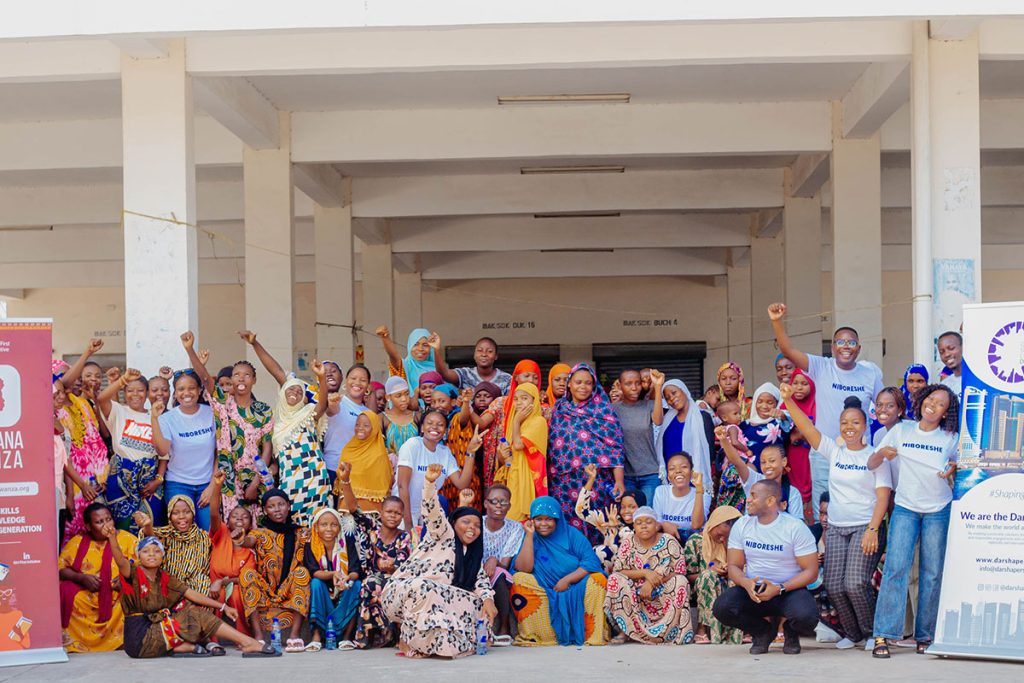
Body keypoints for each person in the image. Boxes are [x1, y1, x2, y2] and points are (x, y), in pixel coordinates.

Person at [781, 384, 892, 650]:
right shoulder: (834, 451)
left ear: (865, 425)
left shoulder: (874, 457)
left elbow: (883, 497)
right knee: (833, 585)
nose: (849, 427)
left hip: (865, 526)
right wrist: (788, 400)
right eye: (844, 423)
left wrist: (873, 530)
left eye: (855, 422)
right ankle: (852, 634)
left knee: (855, 584)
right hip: (836, 528)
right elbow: (806, 428)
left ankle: (872, 634)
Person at [867, 384, 959, 658]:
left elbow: (960, 466)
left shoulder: (951, 438)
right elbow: (871, 463)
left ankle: (925, 635)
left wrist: (954, 467)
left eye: (941, 404)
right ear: (921, 401)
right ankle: (883, 634)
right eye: (931, 398)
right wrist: (882, 454)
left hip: (938, 509)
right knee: (895, 569)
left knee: (932, 573)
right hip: (906, 507)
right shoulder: (901, 430)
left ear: (945, 413)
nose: (933, 405)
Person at [381, 463, 498, 658]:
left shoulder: (472, 555)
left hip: (437, 597)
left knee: (476, 602)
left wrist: (488, 600)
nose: (472, 528)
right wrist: (429, 483)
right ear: (453, 524)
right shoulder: (443, 534)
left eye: (477, 525)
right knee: (427, 588)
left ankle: (440, 643)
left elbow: (482, 583)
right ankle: (408, 639)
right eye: (466, 522)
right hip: (404, 592)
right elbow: (432, 512)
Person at [115, 535, 274, 658]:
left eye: (156, 551)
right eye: (145, 551)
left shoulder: (164, 577)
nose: (151, 555)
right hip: (138, 639)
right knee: (193, 615)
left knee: (189, 608)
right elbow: (121, 562)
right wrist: (111, 537)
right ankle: (247, 642)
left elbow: (192, 594)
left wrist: (223, 606)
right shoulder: (133, 573)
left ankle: (183, 647)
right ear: (139, 556)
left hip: (156, 630)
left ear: (162, 556)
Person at [712, 479, 819, 655]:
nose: (748, 500)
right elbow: (734, 566)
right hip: (754, 589)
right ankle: (762, 632)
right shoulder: (742, 525)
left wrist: (779, 588)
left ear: (770, 501)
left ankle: (790, 632)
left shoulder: (795, 527)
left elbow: (811, 571)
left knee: (807, 617)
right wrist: (746, 583)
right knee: (722, 608)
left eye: (753, 496)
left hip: (788, 590)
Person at [183, 332, 273, 521]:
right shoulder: (222, 402)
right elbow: (205, 378)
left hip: (256, 478)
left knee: (258, 525)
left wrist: (256, 482)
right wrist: (189, 349)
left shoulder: (263, 410)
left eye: (247, 375)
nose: (241, 379)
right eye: (237, 375)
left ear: (254, 380)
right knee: (233, 525)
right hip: (229, 480)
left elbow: (266, 450)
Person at [768, 302, 884, 441]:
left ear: (858, 349)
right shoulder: (821, 366)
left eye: (852, 343)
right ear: (833, 348)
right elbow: (788, 351)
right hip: (824, 449)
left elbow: (886, 407)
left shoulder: (870, 374)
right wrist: (776, 321)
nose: (846, 346)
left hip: (859, 450)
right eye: (840, 342)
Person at [511, 496, 607, 646]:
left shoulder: (571, 535)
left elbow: (590, 562)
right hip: (546, 589)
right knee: (519, 580)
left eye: (549, 519)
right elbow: (524, 568)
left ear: (557, 519)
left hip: (576, 586)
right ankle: (544, 636)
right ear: (532, 520)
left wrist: (567, 580)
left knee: (598, 579)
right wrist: (529, 535)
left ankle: (591, 634)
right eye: (539, 519)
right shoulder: (530, 536)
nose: (543, 524)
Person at [335, 464, 413, 649]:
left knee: (373, 584)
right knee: (370, 583)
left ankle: (388, 634)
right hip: (370, 578)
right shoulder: (372, 528)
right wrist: (345, 481)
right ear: (381, 513)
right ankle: (371, 635)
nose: (393, 516)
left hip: (394, 580)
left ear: (402, 516)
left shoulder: (404, 537)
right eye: (389, 512)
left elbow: (403, 566)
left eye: (397, 513)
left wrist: (392, 566)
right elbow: (353, 508)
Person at [547, 364, 625, 541]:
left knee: (597, 523)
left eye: (588, 383)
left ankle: (599, 556)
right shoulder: (559, 408)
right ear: (569, 384)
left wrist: (619, 480)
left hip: (597, 480)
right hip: (564, 482)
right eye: (578, 382)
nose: (583, 387)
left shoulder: (604, 410)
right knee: (567, 526)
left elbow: (615, 447)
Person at [605, 506, 693, 645]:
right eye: (639, 523)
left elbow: (680, 570)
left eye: (648, 522)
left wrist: (652, 582)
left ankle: (669, 633)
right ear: (634, 527)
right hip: (636, 597)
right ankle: (626, 631)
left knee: (681, 581)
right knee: (615, 579)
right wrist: (646, 573)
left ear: (657, 525)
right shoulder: (628, 542)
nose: (644, 526)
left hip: (663, 593)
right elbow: (619, 570)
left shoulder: (669, 541)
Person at [238, 489, 312, 652]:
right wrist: (240, 539)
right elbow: (248, 541)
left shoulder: (301, 532)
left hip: (289, 589)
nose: (277, 509)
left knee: (302, 572)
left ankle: (294, 636)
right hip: (266, 590)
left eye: (281, 505)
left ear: (288, 506)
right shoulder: (259, 533)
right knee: (247, 574)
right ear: (265, 510)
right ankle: (258, 637)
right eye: (271, 507)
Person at [58, 503, 138, 652]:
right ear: (88, 526)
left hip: (116, 595)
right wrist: (81, 578)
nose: (106, 525)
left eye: (108, 519)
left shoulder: (127, 539)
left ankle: (120, 641)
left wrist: (126, 579)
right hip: (88, 596)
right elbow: (60, 569)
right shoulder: (77, 542)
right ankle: (78, 643)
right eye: (99, 522)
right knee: (66, 591)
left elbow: (144, 566)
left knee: (129, 595)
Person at [96, 367, 164, 532]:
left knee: (150, 526)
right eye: (130, 390)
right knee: (122, 527)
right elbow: (101, 398)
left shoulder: (156, 415)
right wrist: (122, 380)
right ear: (124, 392)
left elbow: (164, 455)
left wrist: (158, 480)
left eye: (140, 390)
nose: (135, 394)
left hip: (149, 482)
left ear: (147, 393)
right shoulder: (118, 411)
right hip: (120, 480)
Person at [55, 339, 108, 537]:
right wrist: (87, 352)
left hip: (95, 481)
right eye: (69, 375)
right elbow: (65, 456)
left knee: (97, 529)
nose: (75, 379)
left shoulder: (83, 403)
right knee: (73, 531)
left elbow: (97, 442)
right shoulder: (55, 410)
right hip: (74, 481)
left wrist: (102, 477)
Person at [152, 370, 216, 531]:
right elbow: (162, 450)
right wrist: (154, 418)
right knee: (182, 534)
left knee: (208, 533)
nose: (186, 393)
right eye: (181, 389)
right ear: (175, 393)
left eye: (191, 388)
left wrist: (212, 487)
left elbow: (220, 453)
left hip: (206, 484)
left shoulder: (211, 413)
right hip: (178, 484)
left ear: (199, 390)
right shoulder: (167, 418)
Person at [395, 408, 478, 532]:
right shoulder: (412, 445)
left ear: (445, 431)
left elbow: (462, 483)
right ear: (422, 428)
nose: (434, 427)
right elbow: (402, 485)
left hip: (427, 513)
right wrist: (408, 524)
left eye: (440, 425)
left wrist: (470, 452)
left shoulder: (444, 452)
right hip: (403, 511)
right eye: (430, 423)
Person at [303, 507, 363, 651]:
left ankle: (347, 637)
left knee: (356, 585)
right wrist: (333, 574)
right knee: (316, 584)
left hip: (343, 587)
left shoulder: (347, 543)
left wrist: (347, 578)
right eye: (324, 525)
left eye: (334, 524)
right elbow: (314, 572)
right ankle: (316, 637)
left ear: (340, 527)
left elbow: (355, 571)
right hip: (324, 591)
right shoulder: (311, 545)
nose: (329, 529)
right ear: (316, 527)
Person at [682, 505, 744, 644]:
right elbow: (688, 576)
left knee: (739, 577)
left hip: (727, 585)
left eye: (726, 537)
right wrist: (711, 571)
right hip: (701, 588)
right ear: (713, 524)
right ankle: (702, 630)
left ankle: (738, 631)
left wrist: (730, 569)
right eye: (719, 534)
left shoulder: (734, 544)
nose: (722, 539)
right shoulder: (695, 541)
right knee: (708, 576)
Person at [207, 469, 256, 637]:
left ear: (250, 525)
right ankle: (212, 639)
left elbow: (245, 577)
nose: (240, 519)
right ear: (227, 523)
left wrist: (222, 581)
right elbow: (214, 513)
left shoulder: (250, 547)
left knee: (236, 593)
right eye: (235, 516)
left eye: (245, 517)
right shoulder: (221, 534)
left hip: (232, 586)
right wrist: (217, 486)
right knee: (217, 595)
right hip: (214, 586)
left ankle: (243, 636)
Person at [479, 360, 541, 488]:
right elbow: (482, 423)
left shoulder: (543, 409)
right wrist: (466, 405)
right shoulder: (501, 402)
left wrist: (516, 420)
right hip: (503, 460)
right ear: (516, 378)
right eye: (526, 375)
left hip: (529, 466)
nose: (531, 380)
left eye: (535, 377)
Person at [134, 495, 212, 595]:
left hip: (195, 588)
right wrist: (148, 525)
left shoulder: (203, 537)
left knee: (204, 581)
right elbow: (151, 542)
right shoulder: (165, 535)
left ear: (193, 513)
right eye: (175, 513)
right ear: (169, 516)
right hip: (168, 586)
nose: (182, 516)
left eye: (187, 512)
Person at [718, 429, 804, 518]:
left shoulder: (792, 493)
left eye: (772, 461)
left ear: (784, 461)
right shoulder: (755, 480)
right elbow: (737, 462)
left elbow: (797, 522)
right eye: (763, 462)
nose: (767, 466)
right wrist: (724, 440)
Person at [494, 382, 548, 521]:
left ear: (534, 401)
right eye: (516, 399)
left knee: (520, 517)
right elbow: (508, 459)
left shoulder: (538, 421)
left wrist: (516, 421)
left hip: (529, 479)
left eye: (524, 398)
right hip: (514, 476)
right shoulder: (515, 424)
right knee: (510, 517)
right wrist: (502, 455)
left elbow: (518, 445)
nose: (519, 403)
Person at [575, 464, 645, 572]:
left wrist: (619, 528)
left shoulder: (646, 526)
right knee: (598, 551)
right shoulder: (612, 518)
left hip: (634, 572)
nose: (626, 511)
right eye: (623, 507)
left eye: (632, 507)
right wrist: (591, 479)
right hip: (608, 573)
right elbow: (581, 511)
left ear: (641, 508)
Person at [610, 368, 665, 506]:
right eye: (628, 384)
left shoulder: (649, 405)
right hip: (625, 475)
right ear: (620, 385)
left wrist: (658, 387)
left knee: (648, 514)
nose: (634, 388)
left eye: (638, 383)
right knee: (628, 515)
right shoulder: (612, 409)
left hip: (650, 473)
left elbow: (658, 421)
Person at [480, 484, 524, 642]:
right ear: (486, 503)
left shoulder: (515, 528)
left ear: (509, 506)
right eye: (494, 501)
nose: (498, 505)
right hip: (477, 570)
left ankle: (504, 626)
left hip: (500, 571)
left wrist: (493, 560)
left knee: (499, 574)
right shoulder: (476, 522)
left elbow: (505, 564)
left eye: (503, 502)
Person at [656, 379, 715, 487]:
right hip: (671, 479)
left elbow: (709, 450)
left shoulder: (702, 417)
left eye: (674, 393)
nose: (671, 398)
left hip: (695, 479)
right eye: (667, 398)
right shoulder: (667, 420)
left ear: (684, 390)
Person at [338, 411, 394, 512]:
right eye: (357, 424)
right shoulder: (348, 449)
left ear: (374, 428)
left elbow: (385, 483)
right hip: (346, 509)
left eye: (366, 425)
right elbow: (341, 482)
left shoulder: (379, 454)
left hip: (371, 511)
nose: (360, 428)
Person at [652, 453, 709, 541]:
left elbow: (696, 525)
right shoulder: (661, 491)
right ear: (668, 476)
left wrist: (698, 489)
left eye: (684, 467)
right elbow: (656, 523)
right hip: (667, 540)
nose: (678, 471)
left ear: (691, 473)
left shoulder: (703, 495)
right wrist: (664, 524)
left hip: (692, 543)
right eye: (672, 468)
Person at [430, 333, 513, 394]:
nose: (484, 354)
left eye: (489, 351)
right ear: (474, 355)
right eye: (480, 350)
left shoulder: (507, 379)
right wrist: (436, 350)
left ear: (496, 356)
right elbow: (444, 373)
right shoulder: (465, 374)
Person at [785, 369, 816, 519]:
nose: (798, 387)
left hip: (810, 458)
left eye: (804, 384)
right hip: (792, 459)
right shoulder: (785, 405)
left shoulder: (818, 406)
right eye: (795, 383)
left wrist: (801, 434)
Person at [741, 383, 791, 471]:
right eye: (760, 401)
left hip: (772, 472)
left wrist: (782, 415)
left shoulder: (780, 423)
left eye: (770, 402)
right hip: (748, 473)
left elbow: (791, 422)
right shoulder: (745, 424)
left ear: (777, 403)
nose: (764, 406)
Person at [377, 326, 435, 399]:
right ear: (410, 346)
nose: (420, 348)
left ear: (431, 348)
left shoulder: (437, 369)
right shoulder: (405, 366)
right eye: (415, 344)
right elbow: (393, 357)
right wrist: (385, 339)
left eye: (425, 345)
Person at [382, 376, 418, 456]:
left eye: (407, 394)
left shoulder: (416, 416)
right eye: (398, 396)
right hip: (390, 463)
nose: (404, 399)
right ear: (388, 397)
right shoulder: (382, 419)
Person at [936, 332, 963, 396]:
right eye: (941, 352)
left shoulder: (978, 379)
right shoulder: (944, 386)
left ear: (963, 348)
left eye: (951, 348)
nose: (946, 354)